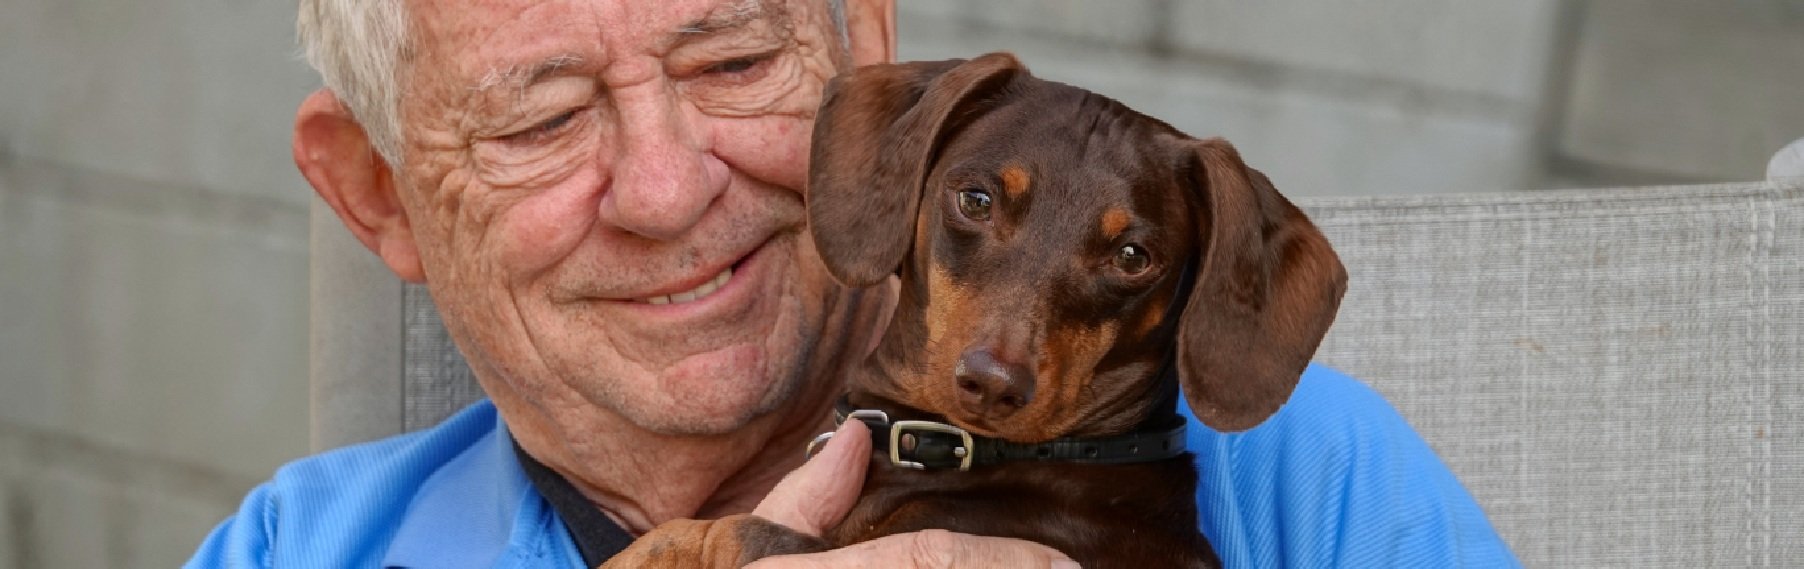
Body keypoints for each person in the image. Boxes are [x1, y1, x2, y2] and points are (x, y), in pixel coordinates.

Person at [188, 0, 1519, 566]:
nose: (667, 191)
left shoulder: (1306, 481)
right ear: (379, 191)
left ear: (860, 44)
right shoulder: (297, 552)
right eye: (540, 121)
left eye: (729, 64)